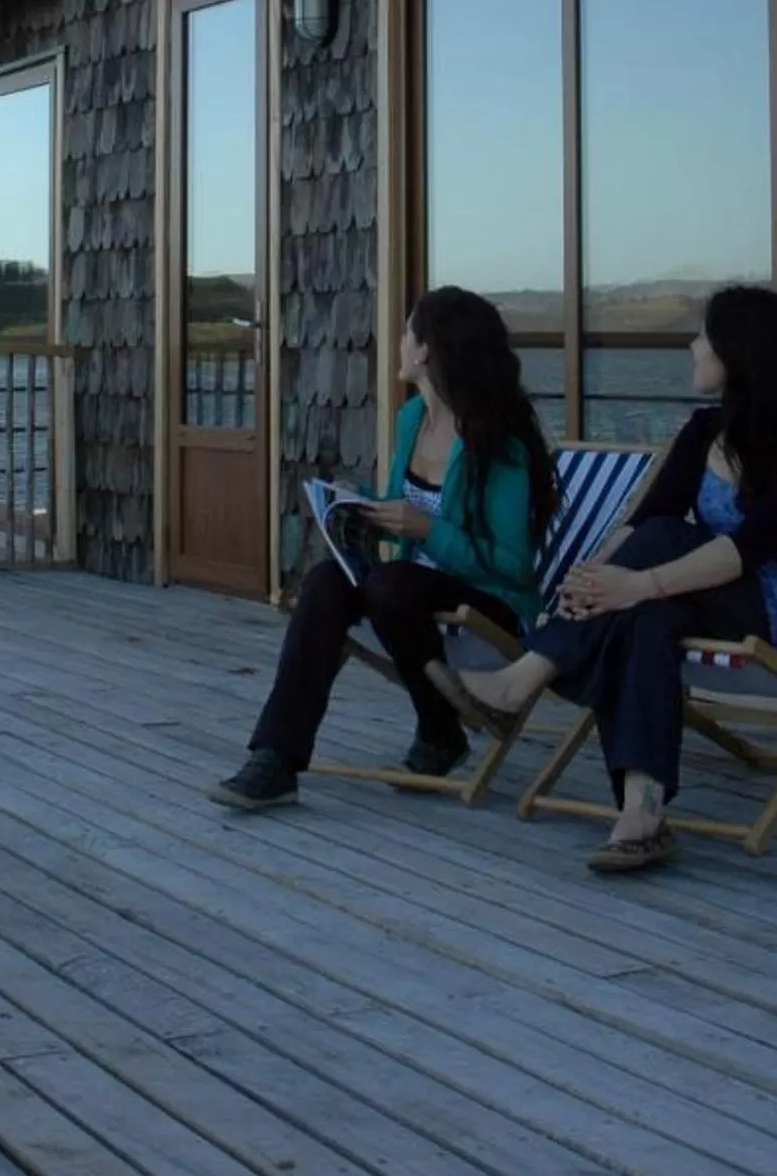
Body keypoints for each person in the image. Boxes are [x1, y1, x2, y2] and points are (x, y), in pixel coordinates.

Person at [432, 286, 777, 873]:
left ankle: (522, 679)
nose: (692, 346)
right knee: (650, 615)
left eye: (703, 335)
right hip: (726, 601)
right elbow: (643, 519)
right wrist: (594, 580)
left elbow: (744, 550)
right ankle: (641, 813)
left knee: (661, 554)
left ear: (739, 349)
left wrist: (634, 583)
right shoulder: (706, 431)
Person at [210, 287, 560, 812]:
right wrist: (359, 511)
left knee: (390, 584)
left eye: (406, 333)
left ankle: (439, 733)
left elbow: (513, 566)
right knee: (327, 580)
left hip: (490, 613)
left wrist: (427, 530)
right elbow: (400, 514)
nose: (398, 342)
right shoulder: (413, 419)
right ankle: (277, 758)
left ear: (426, 350)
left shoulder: (500, 443)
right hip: (410, 601)